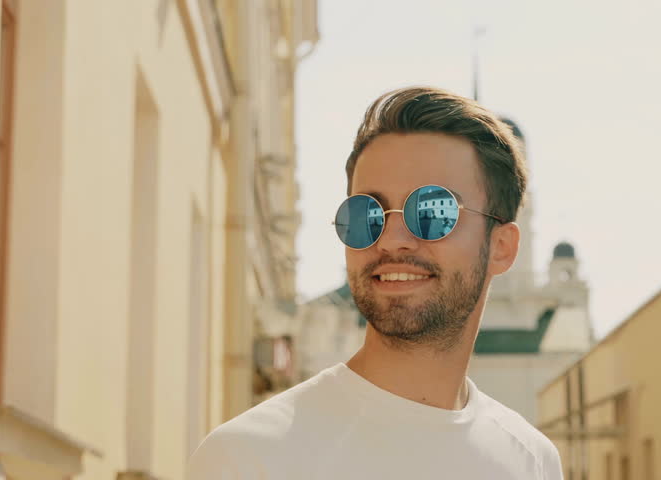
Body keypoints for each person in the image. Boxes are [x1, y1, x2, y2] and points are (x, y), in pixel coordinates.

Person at [188, 86, 564, 479]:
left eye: (432, 210)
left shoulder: (531, 462)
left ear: (502, 246)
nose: (391, 239)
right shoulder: (248, 459)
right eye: (368, 213)